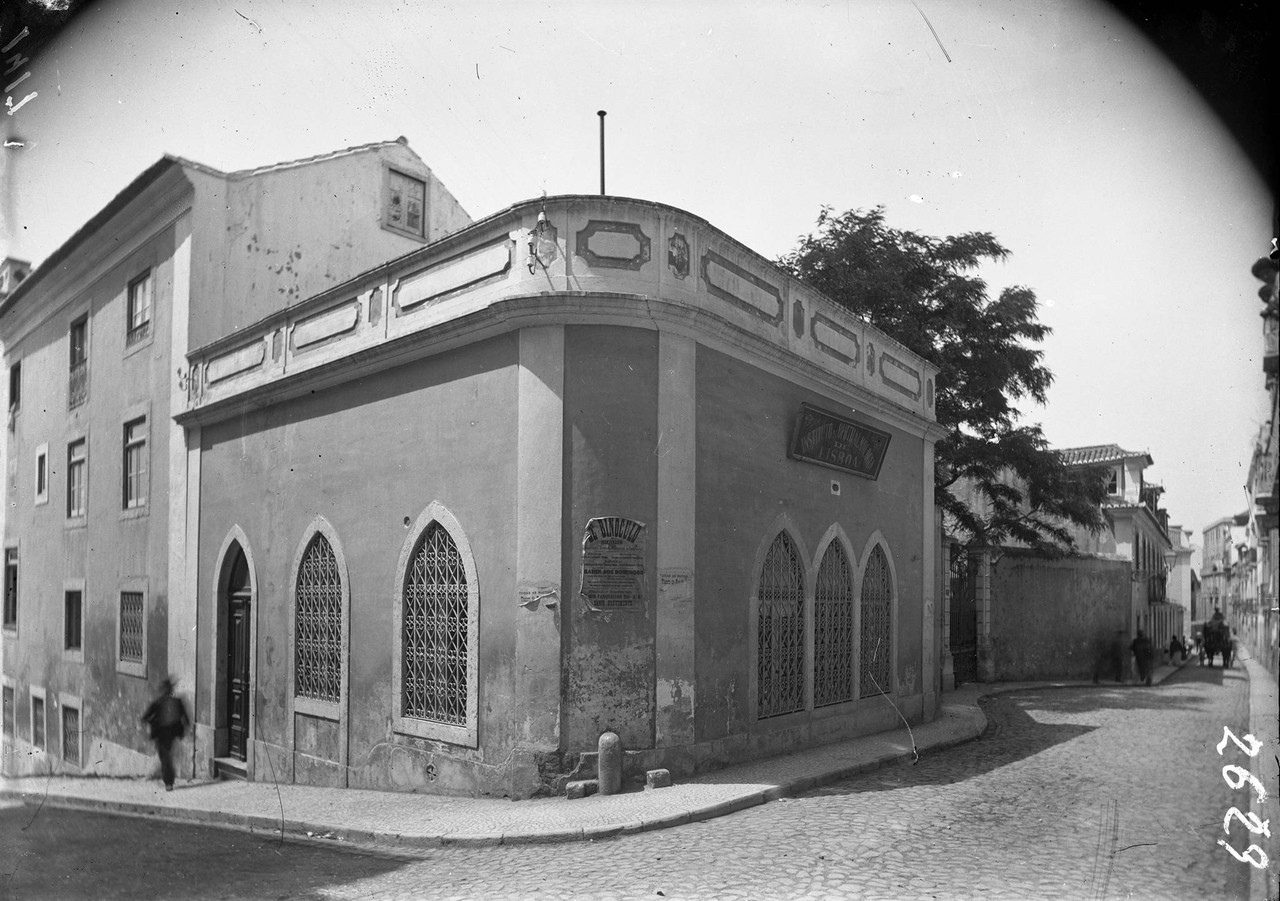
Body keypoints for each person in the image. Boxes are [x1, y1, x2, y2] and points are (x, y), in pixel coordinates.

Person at [142, 677, 190, 791]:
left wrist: (152, 723)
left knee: (166, 757)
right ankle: (169, 780)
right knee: (166, 757)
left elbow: (184, 715)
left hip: (167, 733)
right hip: (167, 733)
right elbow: (185, 717)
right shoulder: (167, 702)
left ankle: (169, 782)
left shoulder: (169, 702)